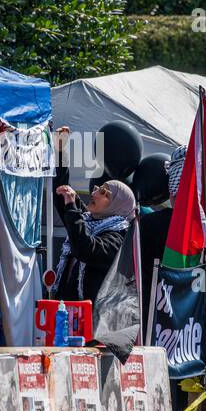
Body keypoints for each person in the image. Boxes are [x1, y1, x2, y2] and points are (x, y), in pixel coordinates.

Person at [138, 144, 206, 325]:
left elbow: (131, 275)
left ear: (171, 189)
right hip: (197, 327)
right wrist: (204, 300)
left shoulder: (148, 225)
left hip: (154, 325)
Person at [51, 126, 136, 307]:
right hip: (65, 310)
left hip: (93, 323)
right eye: (98, 188)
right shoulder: (90, 220)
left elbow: (85, 249)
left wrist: (72, 209)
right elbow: (61, 194)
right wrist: (60, 151)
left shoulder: (118, 237)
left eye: (104, 192)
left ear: (117, 206)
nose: (95, 193)